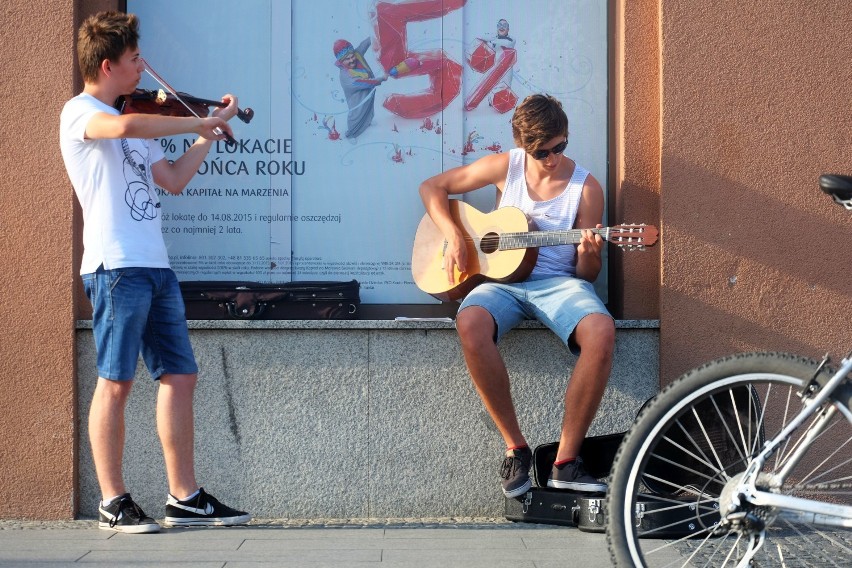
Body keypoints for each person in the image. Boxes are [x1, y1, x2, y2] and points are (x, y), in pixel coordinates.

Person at [59, 11, 251, 533]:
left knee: (180, 376)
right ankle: (112, 500)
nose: (143, 67)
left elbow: (171, 180)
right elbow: (120, 128)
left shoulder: (137, 119)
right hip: (114, 266)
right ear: (107, 65)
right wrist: (194, 119)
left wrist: (207, 133)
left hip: (155, 265)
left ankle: (184, 497)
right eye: (134, 59)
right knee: (116, 382)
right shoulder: (81, 113)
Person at [419, 94, 614, 497]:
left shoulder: (586, 187)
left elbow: (587, 276)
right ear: (525, 146)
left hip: (560, 284)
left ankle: (566, 462)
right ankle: (516, 448)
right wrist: (456, 236)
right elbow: (432, 187)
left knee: (601, 331)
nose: (553, 158)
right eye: (542, 152)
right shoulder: (504, 167)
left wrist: (590, 256)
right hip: (501, 284)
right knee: (469, 321)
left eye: (560, 147)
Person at [333, 38, 387, 140]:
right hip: (357, 100)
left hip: (368, 94)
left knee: (368, 110)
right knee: (356, 115)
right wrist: (381, 79)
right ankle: (351, 134)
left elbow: (364, 44)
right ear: (341, 61)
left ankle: (367, 125)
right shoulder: (345, 76)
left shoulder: (357, 54)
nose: (352, 60)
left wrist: (373, 35)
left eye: (352, 56)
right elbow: (364, 83)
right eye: (347, 59)